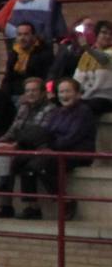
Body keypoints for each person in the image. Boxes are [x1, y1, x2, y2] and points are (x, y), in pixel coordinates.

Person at [0, 76, 56, 220]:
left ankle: (23, 202)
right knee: (2, 151)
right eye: (27, 91)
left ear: (43, 92)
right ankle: (6, 205)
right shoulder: (23, 108)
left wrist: (14, 145)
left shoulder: (50, 109)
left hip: (39, 147)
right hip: (21, 146)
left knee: (14, 158)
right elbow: (13, 130)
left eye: (34, 90)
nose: (31, 94)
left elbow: (38, 133)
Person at [38, 78, 95, 222]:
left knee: (45, 163)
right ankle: (31, 206)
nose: (64, 95)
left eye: (68, 91)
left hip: (78, 152)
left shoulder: (84, 112)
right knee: (25, 160)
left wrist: (52, 148)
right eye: (61, 92)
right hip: (57, 150)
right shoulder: (56, 112)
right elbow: (47, 132)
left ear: (78, 94)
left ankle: (66, 202)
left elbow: (73, 136)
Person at [3, 25, 52, 101]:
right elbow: (8, 77)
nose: (22, 38)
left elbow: (48, 77)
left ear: (33, 36)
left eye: (26, 34)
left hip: (35, 94)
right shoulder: (14, 52)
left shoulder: (43, 53)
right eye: (19, 35)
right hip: (14, 93)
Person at [78, 20, 112, 116]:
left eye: (111, 34)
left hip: (105, 97)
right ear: (96, 34)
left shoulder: (109, 52)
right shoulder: (86, 54)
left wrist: (87, 48)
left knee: (85, 109)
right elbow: (78, 78)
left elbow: (104, 59)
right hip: (85, 96)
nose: (108, 36)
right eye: (104, 33)